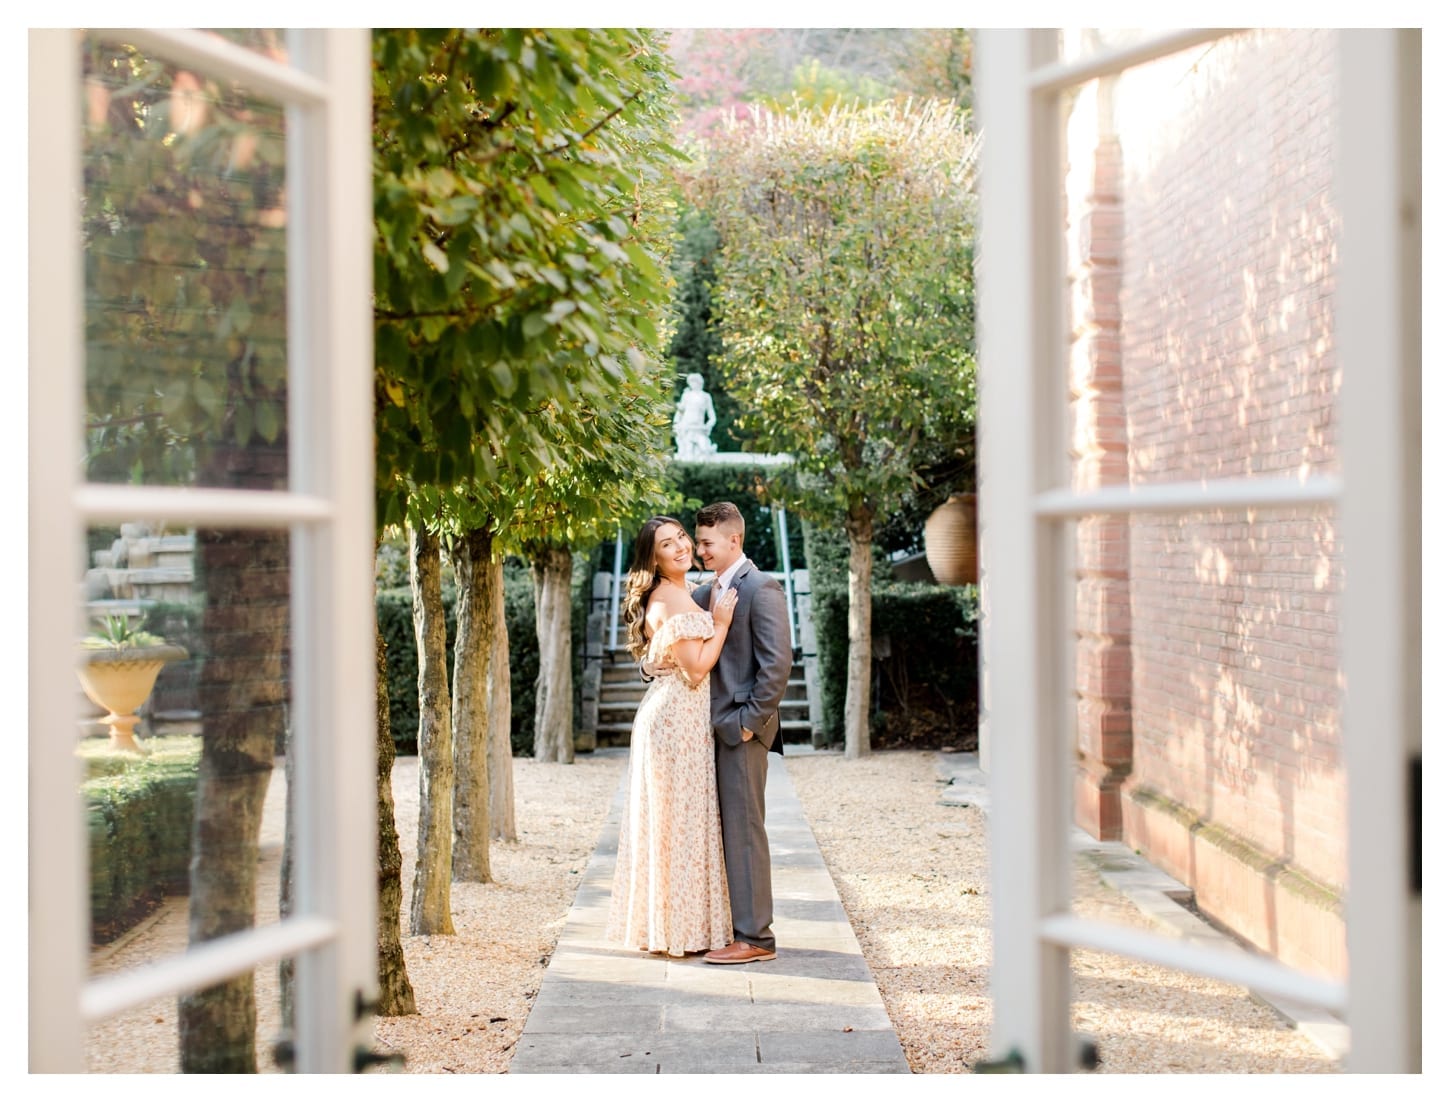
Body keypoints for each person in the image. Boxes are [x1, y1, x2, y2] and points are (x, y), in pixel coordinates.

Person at [605, 515, 738, 957]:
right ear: (654, 559)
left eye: (681, 536)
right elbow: (697, 669)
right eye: (667, 544)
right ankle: (673, 931)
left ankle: (683, 927)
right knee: (677, 827)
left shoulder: (684, 593)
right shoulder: (668, 598)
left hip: (685, 720)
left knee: (685, 825)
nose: (681, 546)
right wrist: (720, 624)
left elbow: (663, 655)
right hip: (673, 725)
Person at [691, 501, 793, 964]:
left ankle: (756, 939)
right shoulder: (703, 591)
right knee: (719, 832)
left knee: (745, 831)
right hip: (705, 731)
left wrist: (748, 725)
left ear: (734, 540)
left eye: (707, 543)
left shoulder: (762, 587)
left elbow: (776, 665)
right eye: (698, 542)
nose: (700, 550)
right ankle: (726, 925)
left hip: (740, 731)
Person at [673, 373, 718, 459]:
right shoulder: (686, 395)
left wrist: (709, 425)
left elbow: (711, 415)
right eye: (691, 382)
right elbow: (680, 411)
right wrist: (676, 423)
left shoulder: (706, 396)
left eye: (695, 382)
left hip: (699, 428)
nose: (693, 384)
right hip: (686, 427)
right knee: (687, 453)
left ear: (700, 382)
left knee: (704, 450)